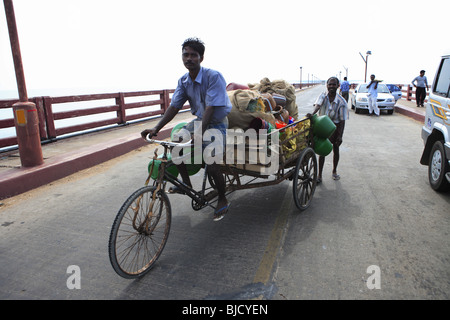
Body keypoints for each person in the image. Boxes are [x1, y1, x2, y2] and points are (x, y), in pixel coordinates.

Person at [140, 37, 232, 221]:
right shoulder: (183, 81)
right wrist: (156, 127)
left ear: (201, 58)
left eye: (193, 55)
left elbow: (211, 108)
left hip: (217, 123)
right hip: (199, 120)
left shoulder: (213, 76)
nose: (189, 58)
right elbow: (174, 106)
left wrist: (199, 133)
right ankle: (186, 184)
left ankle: (222, 198)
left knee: (212, 164)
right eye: (185, 55)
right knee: (175, 144)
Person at [308, 77, 349, 183]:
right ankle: (319, 175)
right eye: (329, 84)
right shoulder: (323, 96)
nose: (331, 87)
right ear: (327, 85)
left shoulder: (342, 102)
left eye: (334, 85)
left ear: (338, 86)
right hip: (322, 126)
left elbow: (342, 121)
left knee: (336, 148)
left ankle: (334, 171)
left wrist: (340, 136)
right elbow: (318, 105)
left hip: (334, 127)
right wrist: (312, 114)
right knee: (322, 150)